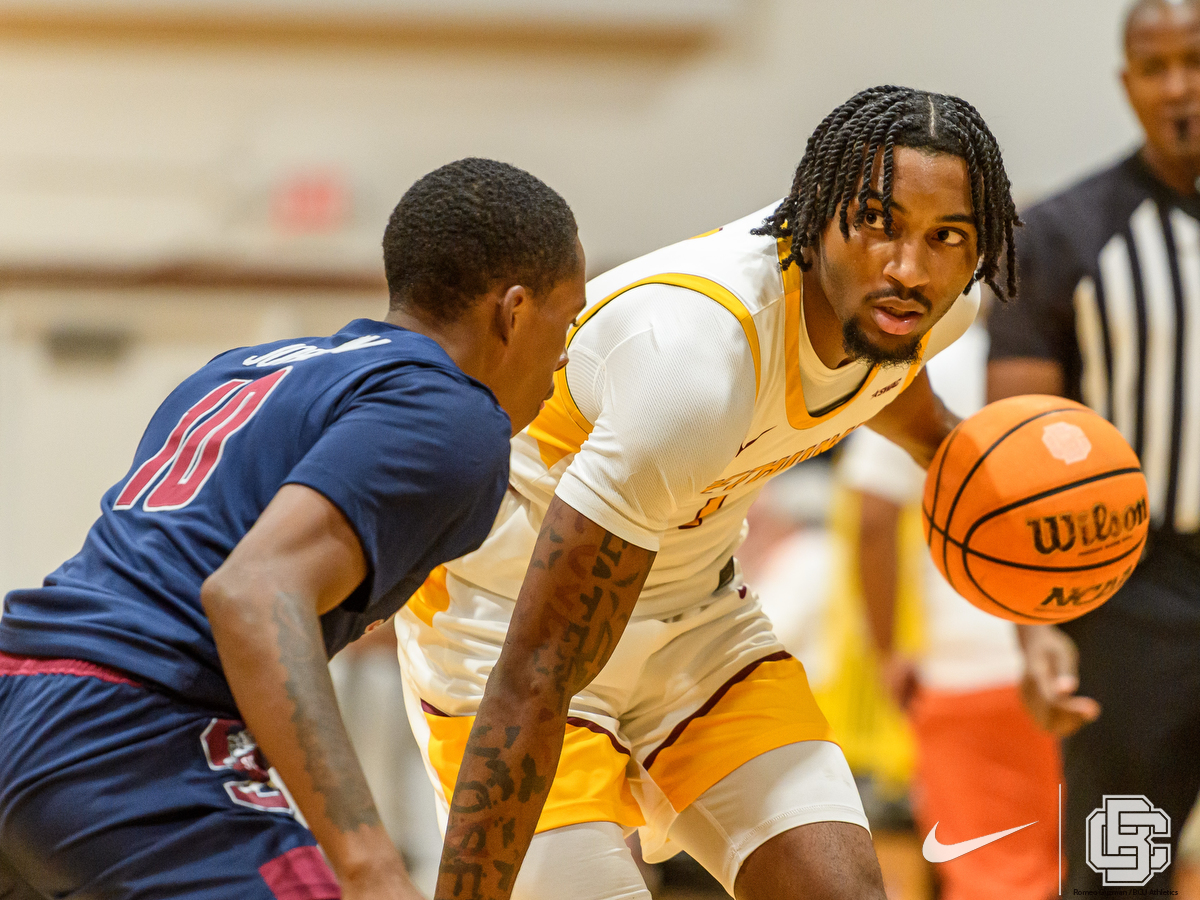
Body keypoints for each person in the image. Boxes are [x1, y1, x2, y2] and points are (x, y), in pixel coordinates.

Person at [394, 85, 1021, 900]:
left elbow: (892, 386)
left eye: (947, 237)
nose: (908, 267)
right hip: (508, 629)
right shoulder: (698, 358)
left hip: (697, 627)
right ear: (815, 212)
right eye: (878, 223)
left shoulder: (927, 310)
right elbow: (539, 669)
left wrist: (980, 473)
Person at [0, 157, 586, 900]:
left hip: (21, 691)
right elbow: (252, 590)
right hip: (130, 733)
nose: (564, 353)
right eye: (567, 320)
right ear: (514, 311)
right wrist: (369, 863)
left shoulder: (246, 368)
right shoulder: (456, 414)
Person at [987, 0, 1200, 891]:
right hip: (1132, 599)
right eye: (1155, 67)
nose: (1179, 87)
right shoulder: (1066, 235)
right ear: (1127, 84)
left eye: (1196, 60)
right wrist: (1035, 621)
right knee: (1126, 872)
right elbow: (1017, 453)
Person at [840, 317, 1061, 900]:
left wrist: (888, 652)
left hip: (967, 671)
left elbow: (872, 522)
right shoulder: (1097, 355)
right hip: (1091, 661)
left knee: (993, 882)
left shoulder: (930, 371)